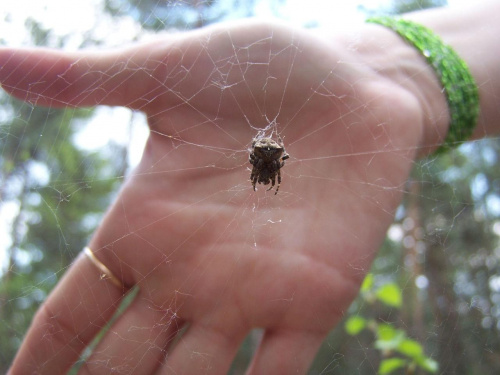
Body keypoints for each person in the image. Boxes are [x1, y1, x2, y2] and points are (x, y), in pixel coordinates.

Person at [2, 1, 499, 374]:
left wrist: (388, 78)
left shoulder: (268, 161)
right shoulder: (268, 160)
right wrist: (392, 74)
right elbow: (267, 167)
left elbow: (267, 168)